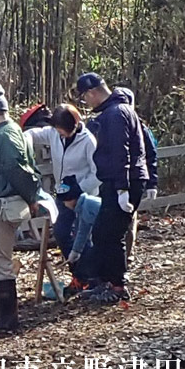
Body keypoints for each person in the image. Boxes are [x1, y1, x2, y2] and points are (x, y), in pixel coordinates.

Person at [75, 74, 150, 304]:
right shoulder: (116, 111)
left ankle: (118, 286)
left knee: (112, 233)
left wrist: (122, 188)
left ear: (92, 93)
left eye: (85, 98)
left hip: (124, 181)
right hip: (117, 180)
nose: (86, 103)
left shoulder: (115, 114)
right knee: (101, 231)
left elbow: (121, 153)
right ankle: (106, 281)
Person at [0, 82, 41, 331]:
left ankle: (8, 317)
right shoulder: (13, 131)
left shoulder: (4, 136)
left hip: (5, 203)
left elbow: (17, 168)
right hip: (6, 202)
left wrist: (31, 195)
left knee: (0, 259)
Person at [48, 105, 100, 271]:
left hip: (83, 199)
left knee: (83, 237)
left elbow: (98, 173)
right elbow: (34, 135)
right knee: (61, 233)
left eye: (63, 131)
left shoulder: (88, 141)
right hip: (62, 195)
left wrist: (79, 189)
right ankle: (78, 274)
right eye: (57, 130)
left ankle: (90, 277)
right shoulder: (54, 134)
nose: (60, 134)